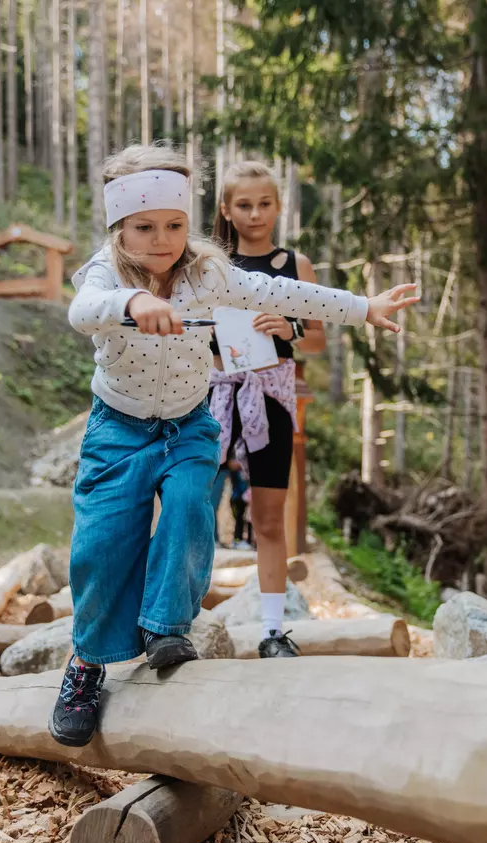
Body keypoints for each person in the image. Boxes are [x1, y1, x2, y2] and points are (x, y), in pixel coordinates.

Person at [53, 143, 417, 748]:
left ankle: (167, 626)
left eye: (174, 225)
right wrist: (135, 301)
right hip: (117, 430)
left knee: (193, 505)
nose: (162, 239)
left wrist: (363, 307)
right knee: (101, 548)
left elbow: (282, 295)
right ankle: (86, 665)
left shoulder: (207, 271)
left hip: (191, 425)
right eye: (145, 227)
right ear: (119, 226)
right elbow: (82, 311)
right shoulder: (105, 272)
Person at [209, 161, 326, 658]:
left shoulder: (295, 266)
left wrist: (290, 329)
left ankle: (273, 631)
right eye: (243, 205)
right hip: (212, 394)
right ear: (226, 210)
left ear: (278, 207)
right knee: (190, 507)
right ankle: (172, 623)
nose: (255, 214)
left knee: (269, 517)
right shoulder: (208, 264)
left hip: (273, 395)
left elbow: (318, 340)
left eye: (264, 203)